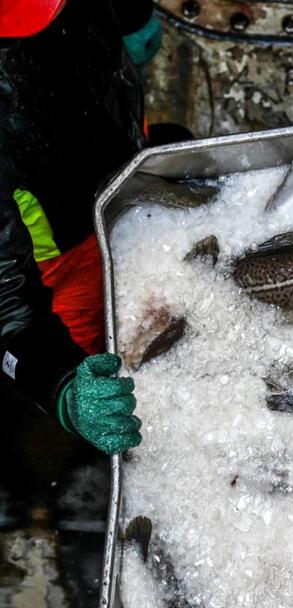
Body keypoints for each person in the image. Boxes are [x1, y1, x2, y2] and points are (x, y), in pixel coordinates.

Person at [0, 0, 164, 455]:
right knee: (122, 388)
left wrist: (132, 16)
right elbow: (5, 304)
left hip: (121, 144)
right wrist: (61, 389)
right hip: (69, 258)